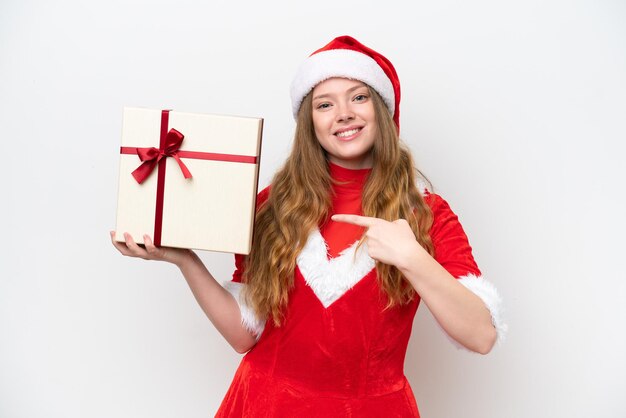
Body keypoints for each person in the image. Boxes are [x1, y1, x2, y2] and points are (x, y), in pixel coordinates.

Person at [111, 35, 505, 417]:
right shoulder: (272, 203)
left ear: (382, 111)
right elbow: (244, 335)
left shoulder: (427, 214)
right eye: (324, 104)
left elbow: (482, 336)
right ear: (309, 122)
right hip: (263, 404)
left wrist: (413, 258)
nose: (344, 113)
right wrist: (185, 260)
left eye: (359, 97)